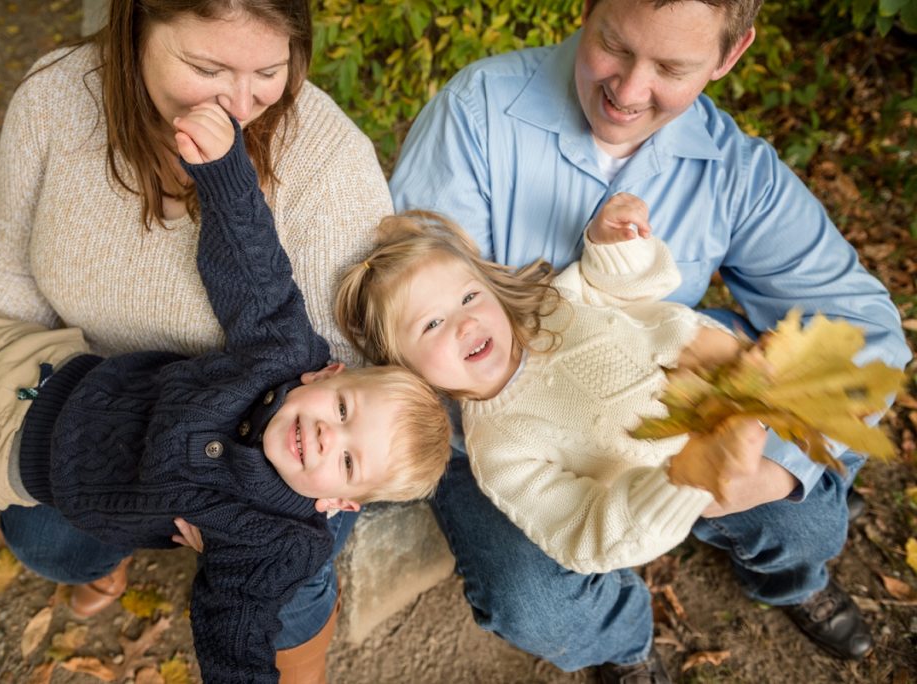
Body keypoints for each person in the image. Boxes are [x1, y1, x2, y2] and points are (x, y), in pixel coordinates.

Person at [388, 0, 911, 680]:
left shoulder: (734, 170)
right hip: (504, 427)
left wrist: (771, 465)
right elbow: (407, 306)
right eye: (613, 45)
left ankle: (787, 578)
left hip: (657, 393)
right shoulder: (477, 113)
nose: (629, 92)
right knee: (536, 603)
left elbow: (865, 327)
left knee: (805, 520)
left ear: (729, 55)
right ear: (587, 9)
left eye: (671, 67)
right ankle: (622, 643)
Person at [0, 106, 451, 682]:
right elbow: (255, 272)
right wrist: (224, 171)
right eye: (341, 410)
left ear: (342, 504)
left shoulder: (278, 541)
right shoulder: (283, 354)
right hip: (45, 364)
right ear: (325, 375)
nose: (327, 436)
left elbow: (233, 631)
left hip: (8, 451)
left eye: (348, 459)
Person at [0, 0, 393, 679]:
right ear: (136, 30)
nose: (241, 102)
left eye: (269, 71)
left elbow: (352, 381)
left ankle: (299, 666)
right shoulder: (54, 95)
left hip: (274, 457)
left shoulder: (331, 164)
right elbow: (13, 268)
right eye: (207, 67)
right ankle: (112, 551)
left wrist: (245, 505)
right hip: (105, 409)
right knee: (40, 535)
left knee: (289, 570)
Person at [337, 199, 781, 574]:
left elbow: (630, 291)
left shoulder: (553, 304)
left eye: (470, 297)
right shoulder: (500, 453)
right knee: (764, 510)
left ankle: (789, 576)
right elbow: (584, 534)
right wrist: (690, 476)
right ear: (406, 369)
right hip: (686, 477)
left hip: (724, 374)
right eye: (432, 323)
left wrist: (616, 247)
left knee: (801, 530)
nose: (465, 322)